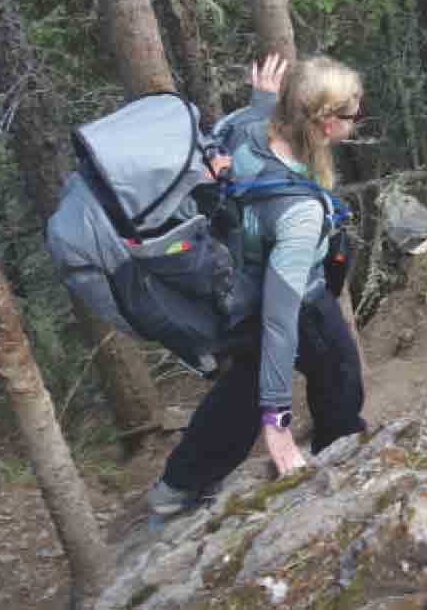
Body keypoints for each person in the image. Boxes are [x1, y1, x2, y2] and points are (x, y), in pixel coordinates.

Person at [147, 54, 367, 514]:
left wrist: (261, 100)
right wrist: (278, 421)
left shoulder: (243, 126)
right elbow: (281, 320)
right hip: (295, 303)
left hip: (235, 291)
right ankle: (340, 459)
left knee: (242, 387)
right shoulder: (300, 214)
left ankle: (177, 487)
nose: (356, 119)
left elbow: (250, 139)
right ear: (325, 123)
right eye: (351, 113)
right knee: (340, 375)